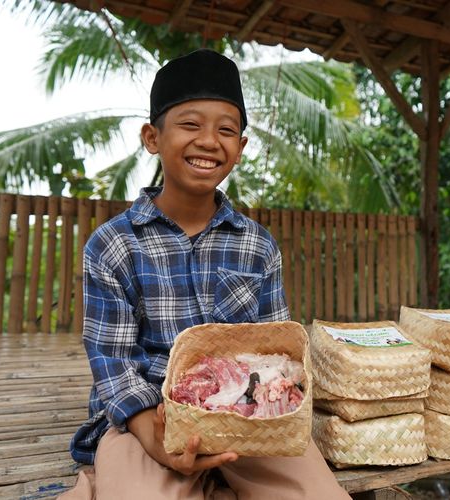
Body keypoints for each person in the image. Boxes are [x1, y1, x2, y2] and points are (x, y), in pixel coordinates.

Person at [59, 49, 350, 500]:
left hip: (251, 417)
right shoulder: (113, 244)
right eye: (190, 125)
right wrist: (157, 442)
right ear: (153, 137)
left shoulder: (257, 245)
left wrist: (270, 408)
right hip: (148, 418)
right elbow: (113, 363)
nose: (209, 140)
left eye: (226, 130)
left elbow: (278, 352)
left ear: (241, 147)